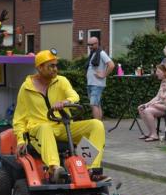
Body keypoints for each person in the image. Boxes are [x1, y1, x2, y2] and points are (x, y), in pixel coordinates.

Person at [13, 49, 108, 183]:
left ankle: (91, 169)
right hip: (38, 131)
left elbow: (74, 96)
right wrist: (21, 140)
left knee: (96, 125)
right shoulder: (26, 88)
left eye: (56, 65)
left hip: (62, 127)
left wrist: (65, 102)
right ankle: (55, 170)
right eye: (51, 66)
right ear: (39, 68)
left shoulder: (61, 81)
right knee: (45, 127)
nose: (55, 69)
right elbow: (19, 118)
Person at [138, 64, 166, 142]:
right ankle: (151, 132)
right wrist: (146, 104)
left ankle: (154, 135)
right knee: (141, 108)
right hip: (160, 104)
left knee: (147, 111)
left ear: (164, 72)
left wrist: (155, 104)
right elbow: (157, 96)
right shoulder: (163, 82)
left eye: (158, 71)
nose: (156, 73)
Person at [85, 37, 115, 120]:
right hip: (91, 83)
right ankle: (99, 126)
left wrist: (104, 74)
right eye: (88, 44)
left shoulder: (101, 53)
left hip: (97, 84)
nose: (90, 46)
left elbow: (111, 65)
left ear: (97, 43)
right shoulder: (93, 53)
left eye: (91, 44)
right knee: (97, 105)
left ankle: (96, 127)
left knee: (93, 104)